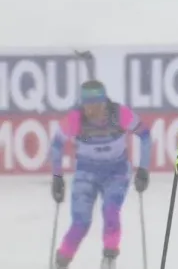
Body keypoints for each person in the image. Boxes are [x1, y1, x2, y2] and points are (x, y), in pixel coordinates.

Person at [49, 80, 151, 269]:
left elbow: (145, 135)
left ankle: (109, 258)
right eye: (85, 104)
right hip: (86, 171)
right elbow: (56, 145)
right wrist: (57, 177)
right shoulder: (76, 118)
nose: (88, 110)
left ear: (102, 102)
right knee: (81, 221)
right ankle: (62, 260)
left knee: (111, 211)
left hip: (116, 172)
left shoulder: (120, 114)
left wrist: (143, 169)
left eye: (93, 104)